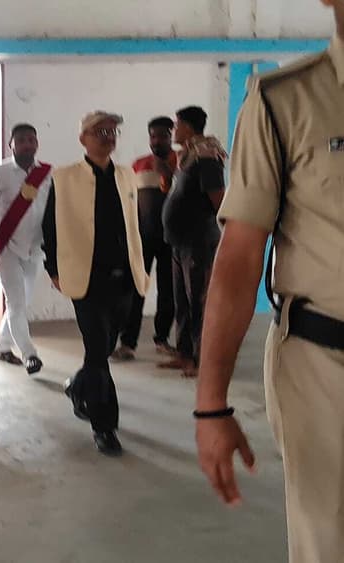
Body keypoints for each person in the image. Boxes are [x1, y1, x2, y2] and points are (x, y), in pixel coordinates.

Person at [196, 2, 344, 560]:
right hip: (325, 370)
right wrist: (211, 405)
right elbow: (239, 256)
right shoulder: (283, 101)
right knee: (330, 543)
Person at [43, 111, 148, 456]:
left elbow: (135, 225)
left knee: (103, 347)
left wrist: (140, 267)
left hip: (125, 278)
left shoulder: (126, 175)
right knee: (97, 351)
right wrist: (53, 269)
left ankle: (78, 385)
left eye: (112, 131)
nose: (108, 136)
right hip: (86, 278)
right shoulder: (64, 177)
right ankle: (104, 426)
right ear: (82, 139)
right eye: (99, 131)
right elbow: (50, 226)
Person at [160, 106, 226, 378]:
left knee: (199, 303)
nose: (174, 130)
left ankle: (202, 361)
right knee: (183, 303)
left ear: (188, 127)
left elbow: (219, 200)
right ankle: (184, 354)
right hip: (180, 243)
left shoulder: (206, 158)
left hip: (198, 242)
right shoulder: (187, 157)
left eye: (177, 125)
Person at [112, 117, 177, 361]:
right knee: (134, 290)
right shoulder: (138, 164)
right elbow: (130, 201)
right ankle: (128, 343)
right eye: (153, 136)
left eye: (163, 135)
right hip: (143, 238)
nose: (157, 140)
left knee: (168, 292)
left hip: (171, 239)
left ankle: (162, 339)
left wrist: (167, 172)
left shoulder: (181, 161)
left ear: (171, 136)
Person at [0, 124, 52, 375]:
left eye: (30, 140)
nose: (27, 144)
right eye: (21, 140)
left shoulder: (47, 173)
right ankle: (30, 354)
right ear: (11, 145)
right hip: (7, 247)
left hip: (34, 248)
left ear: (37, 143)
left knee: (21, 302)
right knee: (16, 302)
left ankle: (3, 345)